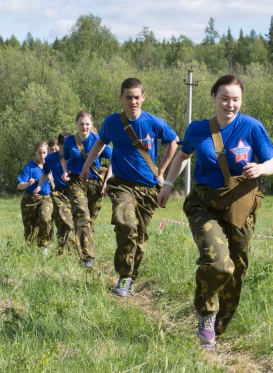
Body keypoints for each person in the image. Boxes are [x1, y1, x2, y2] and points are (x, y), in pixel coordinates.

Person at [157, 75, 273, 350]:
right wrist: (168, 183)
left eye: (235, 99)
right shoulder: (198, 129)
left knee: (237, 269)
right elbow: (183, 156)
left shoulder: (252, 127)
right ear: (213, 97)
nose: (230, 104)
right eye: (225, 98)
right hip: (205, 204)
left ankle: (220, 324)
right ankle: (206, 315)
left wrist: (260, 168)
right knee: (218, 261)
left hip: (240, 206)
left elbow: (271, 162)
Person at [81, 78, 179, 297]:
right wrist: (87, 166)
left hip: (148, 188)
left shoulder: (154, 122)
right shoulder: (112, 122)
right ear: (121, 98)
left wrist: (161, 171)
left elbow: (174, 141)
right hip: (122, 186)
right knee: (126, 224)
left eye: (137, 97)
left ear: (143, 97)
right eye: (128, 97)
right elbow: (100, 142)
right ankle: (124, 275)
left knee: (140, 236)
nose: (133, 101)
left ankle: (131, 278)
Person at [61, 110, 113, 268]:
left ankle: (83, 246)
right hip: (76, 181)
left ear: (92, 125)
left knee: (90, 221)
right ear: (76, 124)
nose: (84, 126)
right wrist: (64, 172)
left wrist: (107, 181)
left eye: (87, 124)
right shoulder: (70, 141)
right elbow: (64, 159)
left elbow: (114, 158)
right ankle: (87, 258)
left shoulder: (99, 140)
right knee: (81, 215)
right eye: (81, 124)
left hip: (96, 183)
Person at [36, 132, 77, 256]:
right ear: (58, 145)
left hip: (75, 192)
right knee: (65, 221)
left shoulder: (76, 155)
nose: (66, 149)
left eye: (68, 146)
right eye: (63, 146)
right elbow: (45, 173)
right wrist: (39, 186)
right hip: (59, 193)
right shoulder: (51, 158)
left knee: (68, 224)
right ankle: (69, 253)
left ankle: (63, 251)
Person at [17, 140, 54, 253]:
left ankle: (45, 246)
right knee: (30, 228)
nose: (42, 155)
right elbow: (19, 186)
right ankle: (31, 251)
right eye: (39, 153)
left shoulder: (52, 164)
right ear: (35, 153)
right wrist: (28, 184)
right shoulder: (30, 167)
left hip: (46, 199)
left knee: (45, 218)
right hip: (30, 200)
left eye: (44, 153)